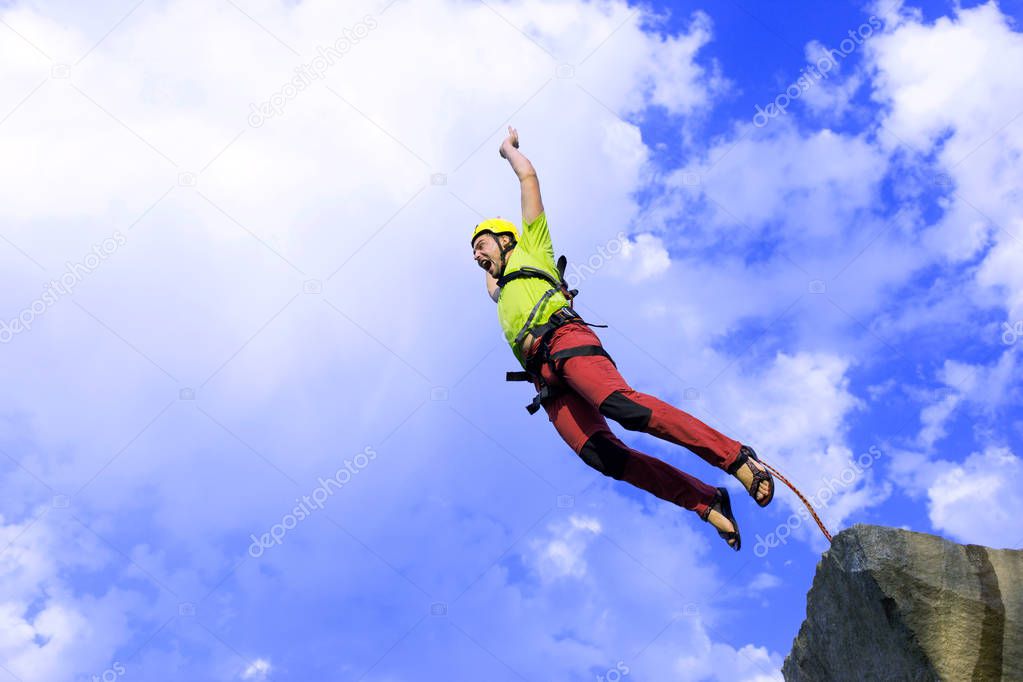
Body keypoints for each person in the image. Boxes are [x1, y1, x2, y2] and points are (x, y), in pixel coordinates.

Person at [470, 127, 776, 551]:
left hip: (563, 339)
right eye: (473, 253)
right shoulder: (499, 289)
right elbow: (489, 275)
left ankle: (736, 457)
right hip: (545, 381)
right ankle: (705, 500)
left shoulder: (531, 249)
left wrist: (509, 152)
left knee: (623, 407)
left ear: (507, 240)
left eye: (482, 245)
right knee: (603, 457)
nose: (477, 255)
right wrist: (483, 259)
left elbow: (528, 181)